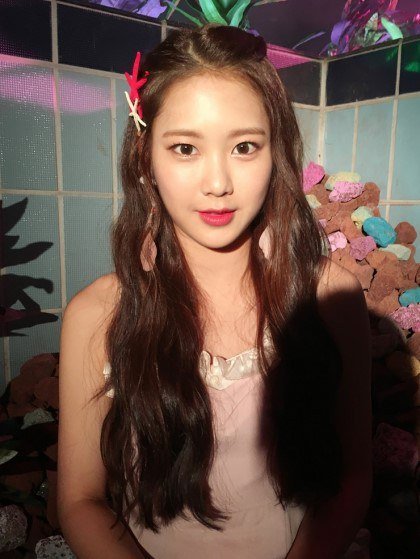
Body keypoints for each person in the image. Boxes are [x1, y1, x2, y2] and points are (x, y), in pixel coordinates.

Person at [57, 23, 372, 559]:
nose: (218, 183)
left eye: (244, 146)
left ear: (276, 154)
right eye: (185, 148)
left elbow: (353, 475)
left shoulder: (330, 298)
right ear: (145, 158)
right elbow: (79, 500)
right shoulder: (98, 314)